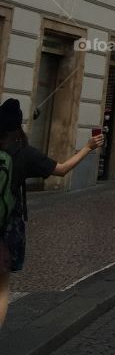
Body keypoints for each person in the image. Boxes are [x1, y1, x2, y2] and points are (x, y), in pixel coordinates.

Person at [0, 98, 103, 327]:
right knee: (1, 289)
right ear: (18, 126)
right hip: (8, 226)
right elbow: (62, 169)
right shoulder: (25, 153)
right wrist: (88, 147)